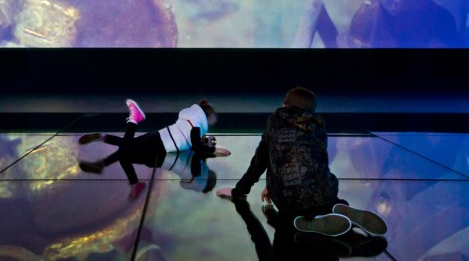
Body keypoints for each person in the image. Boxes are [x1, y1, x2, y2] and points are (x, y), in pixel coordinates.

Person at [216, 87, 387, 238]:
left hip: (288, 198)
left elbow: (260, 162)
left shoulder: (274, 121)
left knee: (289, 207)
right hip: (323, 192)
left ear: (284, 105)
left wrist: (239, 191)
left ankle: (304, 222)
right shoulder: (318, 125)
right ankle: (336, 205)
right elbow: (319, 162)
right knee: (319, 184)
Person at [78, 99, 230, 198]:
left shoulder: (190, 119)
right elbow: (196, 145)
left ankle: (105, 142)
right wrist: (213, 150)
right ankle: (132, 120)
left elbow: (194, 142)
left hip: (157, 137)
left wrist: (208, 144)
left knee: (126, 149)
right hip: (159, 146)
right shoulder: (196, 124)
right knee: (126, 150)